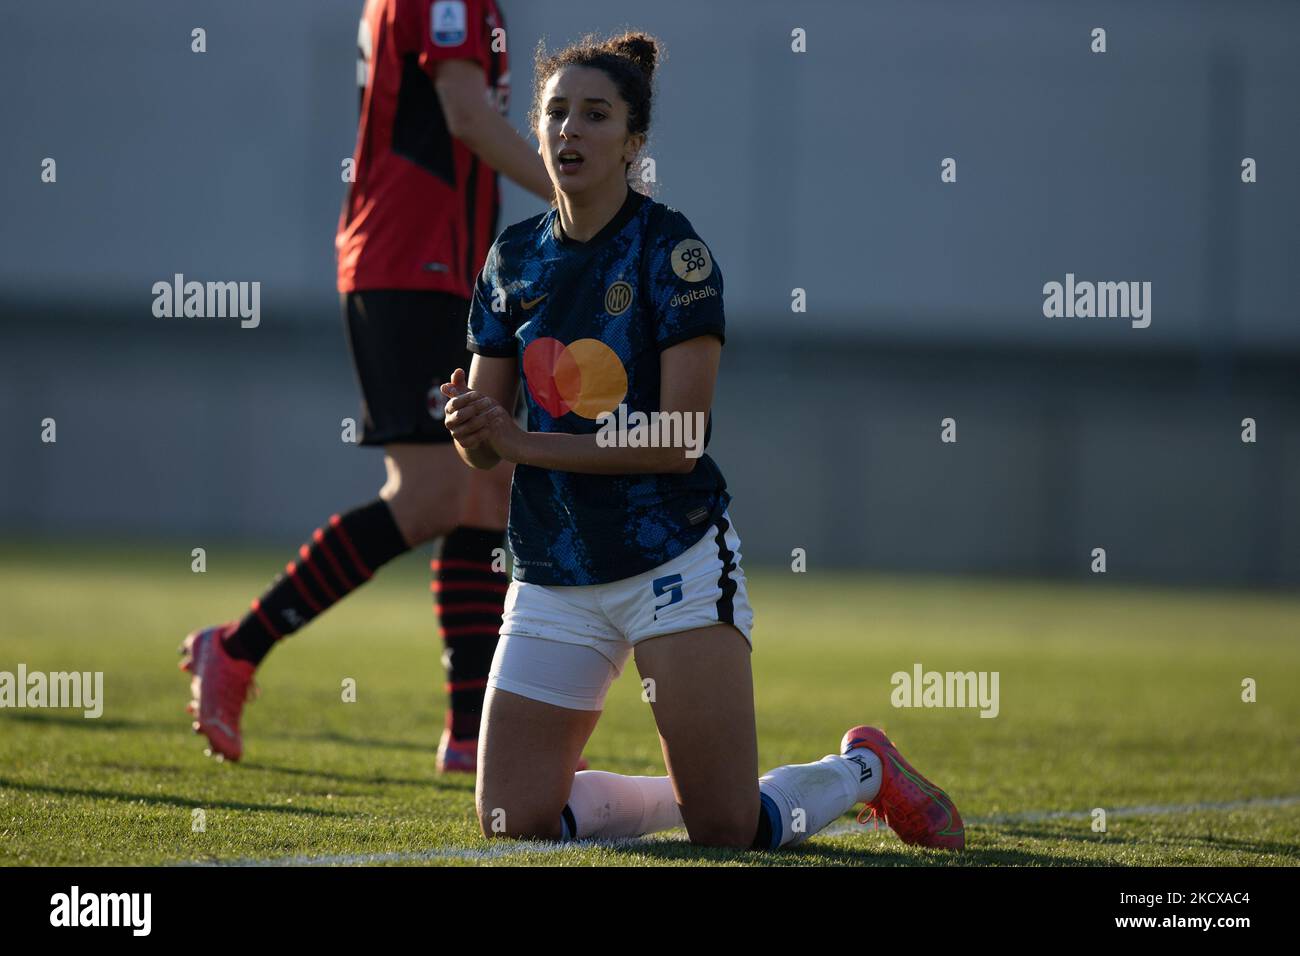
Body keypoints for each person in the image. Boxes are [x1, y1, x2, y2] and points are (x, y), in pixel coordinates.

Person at [440, 31, 966, 850]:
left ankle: (864, 770)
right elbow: (488, 437)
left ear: (633, 142)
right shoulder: (512, 259)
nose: (569, 131)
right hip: (552, 565)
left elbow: (680, 440)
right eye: (555, 114)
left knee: (727, 829)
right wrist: (470, 428)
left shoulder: (674, 254)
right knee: (513, 821)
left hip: (671, 560)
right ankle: (688, 789)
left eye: (595, 115)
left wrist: (519, 444)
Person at [180, 0, 554, 771]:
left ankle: (470, 733)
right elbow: (467, 116)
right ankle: (237, 646)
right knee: (431, 494)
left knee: (484, 487)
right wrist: (579, 203)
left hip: (445, 268)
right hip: (410, 263)